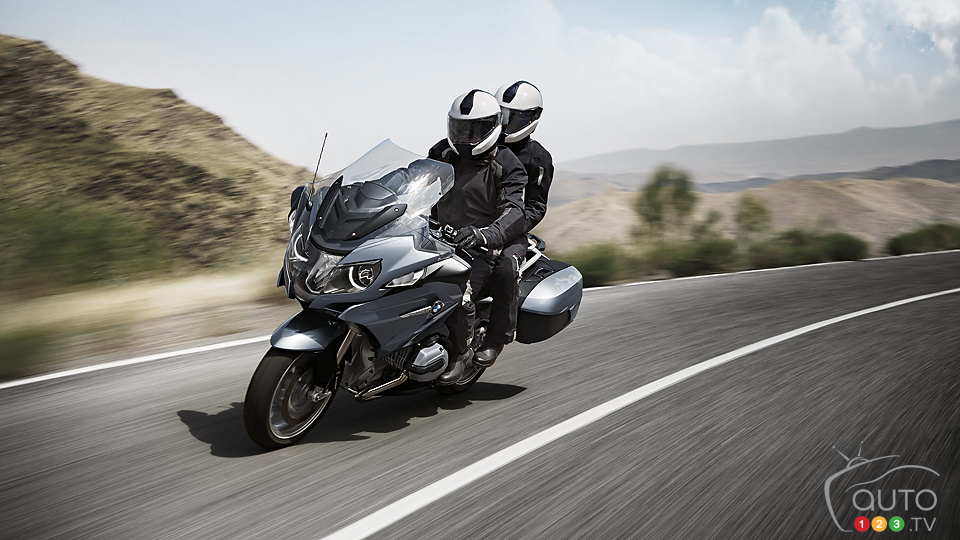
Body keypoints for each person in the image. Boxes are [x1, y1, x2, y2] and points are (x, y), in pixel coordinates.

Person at [429, 89, 528, 385]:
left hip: (479, 249)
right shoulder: (441, 154)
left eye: (474, 131)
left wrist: (483, 235)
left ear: (493, 127)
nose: (465, 138)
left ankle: (460, 354)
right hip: (435, 241)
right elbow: (412, 181)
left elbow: (514, 211)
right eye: (460, 129)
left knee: (458, 293)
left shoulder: (507, 164)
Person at [477, 80, 555, 367]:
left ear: (533, 118)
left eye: (516, 118)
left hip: (510, 230)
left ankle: (496, 338)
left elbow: (535, 207)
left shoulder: (537, 159)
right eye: (503, 115)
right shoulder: (480, 142)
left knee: (506, 266)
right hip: (468, 221)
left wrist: (505, 227)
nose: (507, 124)